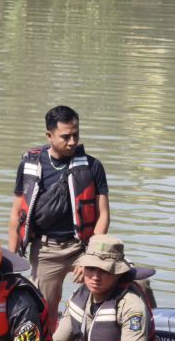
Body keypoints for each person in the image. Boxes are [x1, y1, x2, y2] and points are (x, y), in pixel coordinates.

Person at [7, 105, 110, 327]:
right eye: (66, 137)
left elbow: (103, 215)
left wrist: (91, 257)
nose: (72, 142)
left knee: (108, 292)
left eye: (76, 135)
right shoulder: (30, 165)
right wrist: (12, 259)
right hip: (46, 250)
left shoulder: (93, 166)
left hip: (83, 246)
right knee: (44, 309)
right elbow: (17, 214)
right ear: (49, 135)